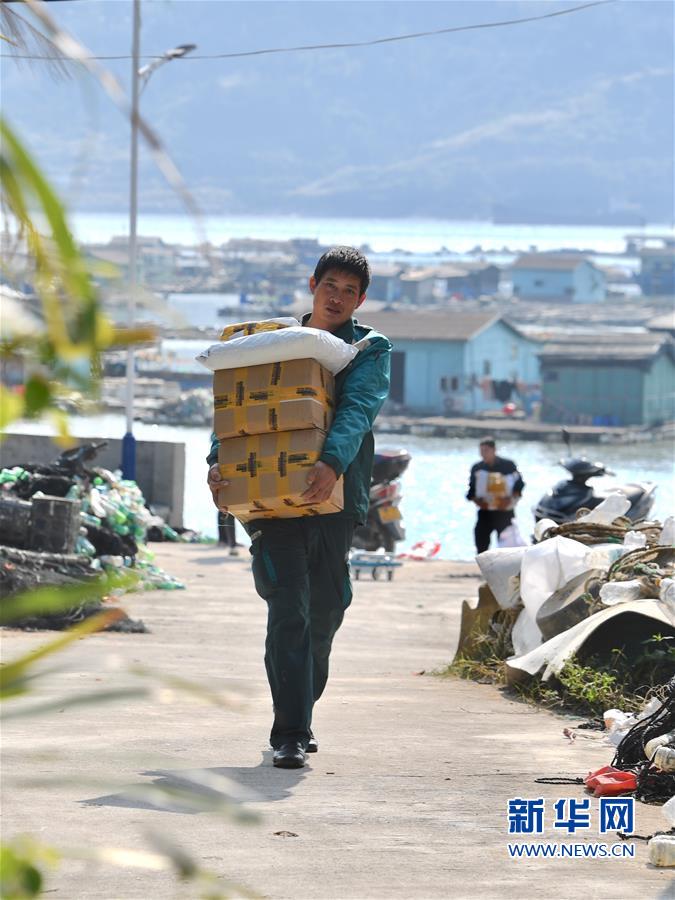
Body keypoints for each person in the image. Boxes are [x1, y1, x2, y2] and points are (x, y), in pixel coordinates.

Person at [206, 246, 392, 769]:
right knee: (288, 608)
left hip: (335, 497)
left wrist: (331, 461)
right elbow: (240, 406)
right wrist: (218, 462)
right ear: (313, 285)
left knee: (327, 609)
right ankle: (289, 732)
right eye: (329, 285)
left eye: (349, 291)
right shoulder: (275, 345)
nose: (337, 297)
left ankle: (299, 713)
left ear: (361, 299)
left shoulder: (368, 349)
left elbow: (358, 406)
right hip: (269, 502)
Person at [466, 437, 524, 554]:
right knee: (481, 542)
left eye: (486, 451)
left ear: (494, 450)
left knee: (507, 548)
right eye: (481, 451)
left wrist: (509, 500)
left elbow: (519, 485)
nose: (483, 454)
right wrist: (479, 502)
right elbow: (471, 491)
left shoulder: (508, 465)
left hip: (505, 512)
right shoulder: (477, 468)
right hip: (485, 512)